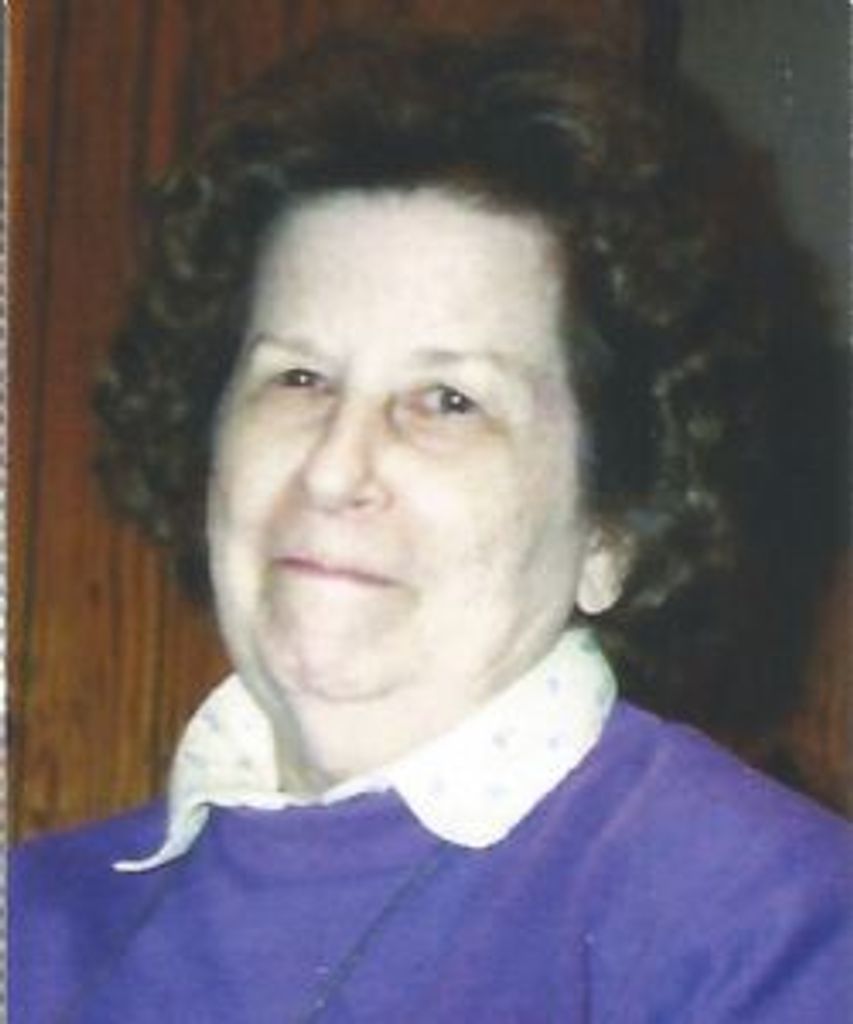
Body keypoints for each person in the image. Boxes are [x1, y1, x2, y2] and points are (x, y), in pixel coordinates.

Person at [12, 22, 850, 1023]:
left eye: (449, 401)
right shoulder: (33, 919)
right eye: (298, 377)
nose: (333, 465)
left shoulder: (769, 927)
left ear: (613, 529)